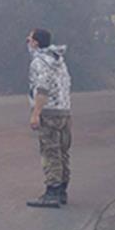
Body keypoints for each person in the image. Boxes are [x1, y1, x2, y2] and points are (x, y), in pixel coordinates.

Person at [26, 28, 73, 208]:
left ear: (36, 42)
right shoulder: (58, 60)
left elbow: (42, 88)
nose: (28, 42)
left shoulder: (39, 62)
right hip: (64, 111)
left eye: (29, 39)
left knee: (50, 152)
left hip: (49, 113)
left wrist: (36, 113)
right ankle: (62, 191)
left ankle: (52, 192)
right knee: (63, 152)